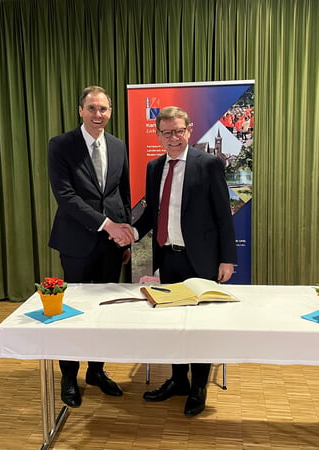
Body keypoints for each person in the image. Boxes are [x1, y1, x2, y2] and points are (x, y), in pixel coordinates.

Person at [131, 106, 236, 417]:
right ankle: (178, 380)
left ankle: (198, 387)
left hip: (200, 260)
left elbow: (223, 215)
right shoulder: (154, 167)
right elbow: (151, 214)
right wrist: (131, 233)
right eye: (167, 132)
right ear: (158, 135)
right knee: (173, 324)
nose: (173, 137)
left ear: (189, 130)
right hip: (168, 258)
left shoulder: (209, 164)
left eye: (179, 131)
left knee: (200, 327)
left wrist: (227, 259)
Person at [48, 85, 135, 408]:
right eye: (92, 108)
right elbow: (65, 196)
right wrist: (106, 224)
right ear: (81, 111)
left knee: (104, 311)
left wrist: (124, 236)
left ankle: (96, 371)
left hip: (111, 246)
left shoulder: (118, 146)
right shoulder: (60, 145)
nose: (98, 114)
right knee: (73, 314)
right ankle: (69, 376)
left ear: (110, 112)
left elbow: (122, 194)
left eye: (104, 109)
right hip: (76, 242)